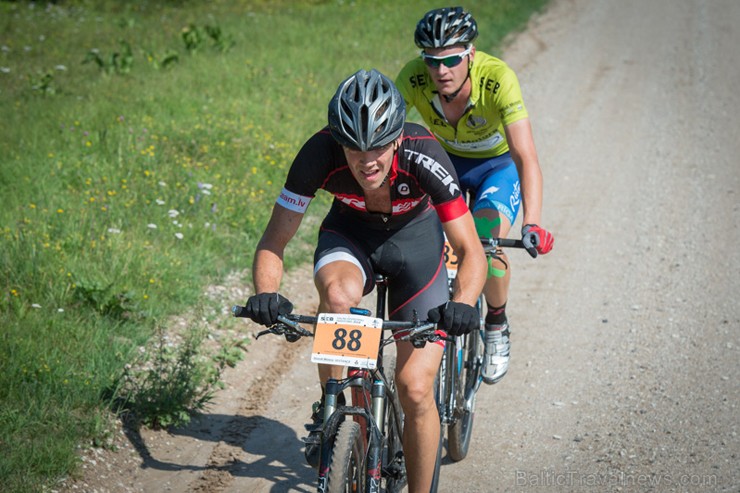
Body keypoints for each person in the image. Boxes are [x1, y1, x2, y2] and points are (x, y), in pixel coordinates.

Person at [242, 69, 486, 493]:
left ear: (396, 138)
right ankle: (336, 405)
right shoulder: (318, 154)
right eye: (353, 148)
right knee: (336, 297)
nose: (366, 159)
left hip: (418, 246)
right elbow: (273, 241)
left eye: (377, 146)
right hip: (350, 236)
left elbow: (471, 252)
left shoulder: (424, 153)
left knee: (413, 389)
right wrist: (266, 293)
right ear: (338, 141)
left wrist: (463, 301)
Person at [395, 6, 554, 385]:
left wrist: (531, 221)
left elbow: (525, 156)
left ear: (470, 53)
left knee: (485, 244)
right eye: (432, 61)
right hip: (443, 162)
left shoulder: (498, 79)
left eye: (451, 59)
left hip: (495, 168)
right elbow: (387, 138)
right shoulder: (413, 79)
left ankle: (496, 322)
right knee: (420, 238)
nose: (441, 71)